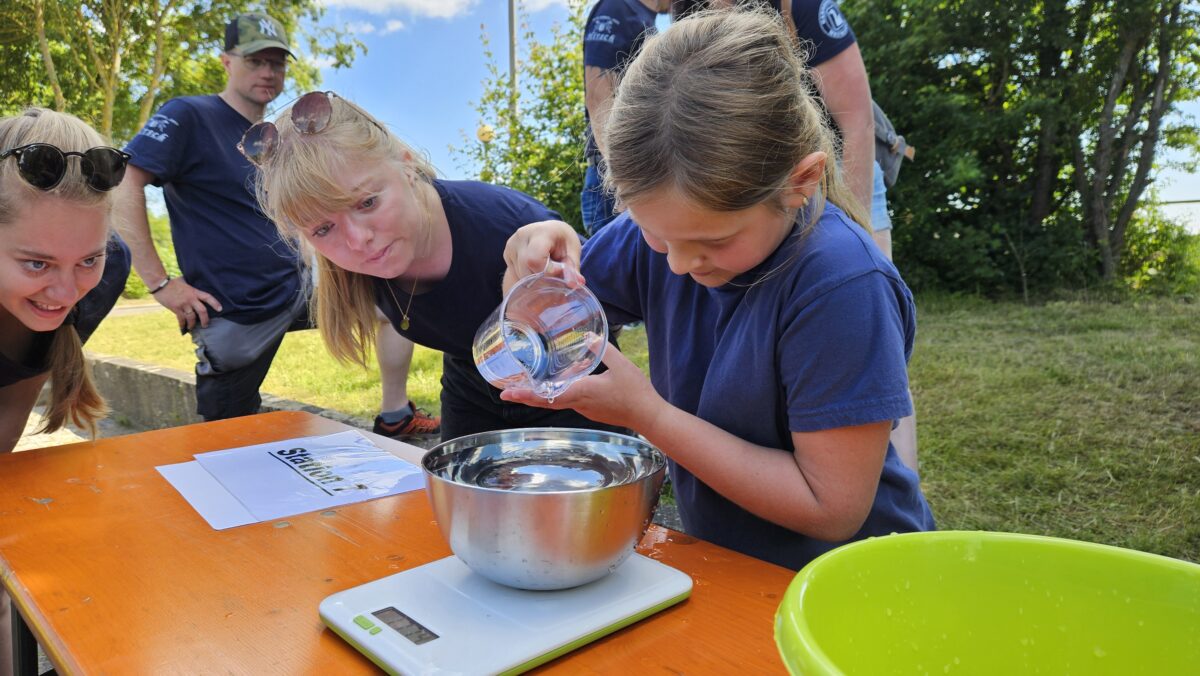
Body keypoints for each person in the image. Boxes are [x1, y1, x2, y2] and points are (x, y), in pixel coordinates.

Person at [502, 8, 933, 570]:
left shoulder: (842, 285)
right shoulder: (655, 237)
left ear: (800, 182)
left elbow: (831, 508)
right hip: (732, 568)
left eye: (714, 241)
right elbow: (534, 324)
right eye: (657, 233)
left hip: (855, 581)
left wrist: (649, 416)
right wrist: (529, 270)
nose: (680, 263)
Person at [115, 12, 437, 436]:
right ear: (227, 62)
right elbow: (125, 182)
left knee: (398, 300)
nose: (268, 72)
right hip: (234, 308)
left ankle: (395, 415)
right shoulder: (189, 116)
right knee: (227, 438)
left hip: (298, 286)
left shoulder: (278, 137)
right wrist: (159, 284)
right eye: (255, 61)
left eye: (277, 62)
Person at [249, 91, 622, 441]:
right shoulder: (351, 266)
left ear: (407, 167)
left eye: (367, 203)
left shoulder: (505, 225)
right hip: (471, 382)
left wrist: (543, 286)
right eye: (323, 228)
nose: (358, 240)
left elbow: (614, 296)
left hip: (568, 384)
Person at [0, 106, 132, 676]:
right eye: (36, 263)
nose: (64, 291)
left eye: (88, 259)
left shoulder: (104, 275)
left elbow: (19, 385)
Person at [580, 0, 671, 236]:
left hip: (640, 178)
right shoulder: (618, 7)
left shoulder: (646, 22)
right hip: (618, 184)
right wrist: (621, 177)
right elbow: (598, 95)